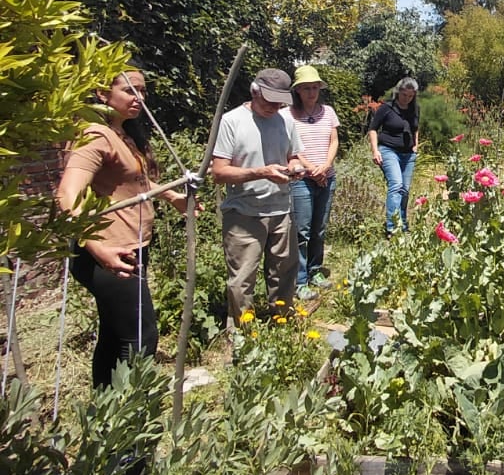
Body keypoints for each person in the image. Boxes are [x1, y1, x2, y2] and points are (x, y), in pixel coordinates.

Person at [57, 69, 188, 388]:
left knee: (115, 334)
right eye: (130, 90)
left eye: (142, 91)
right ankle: (130, 419)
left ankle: (105, 408)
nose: (139, 98)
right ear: (103, 94)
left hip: (130, 247)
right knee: (141, 338)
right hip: (109, 253)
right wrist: (96, 246)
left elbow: (132, 181)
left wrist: (170, 195)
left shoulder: (124, 133)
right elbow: (66, 195)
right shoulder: (94, 135)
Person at [210, 68, 305, 324]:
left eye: (279, 102)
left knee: (285, 271)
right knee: (242, 278)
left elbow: (293, 155)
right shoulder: (232, 121)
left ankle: (282, 321)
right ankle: (242, 333)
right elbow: (218, 172)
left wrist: (295, 167)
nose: (274, 107)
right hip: (244, 213)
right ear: (254, 91)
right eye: (268, 100)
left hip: (281, 210)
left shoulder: (285, 121)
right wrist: (260, 172)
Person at [282, 64, 340, 296]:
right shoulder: (286, 115)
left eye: (315, 87)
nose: (311, 93)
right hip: (301, 179)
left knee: (319, 228)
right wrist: (311, 169)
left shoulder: (328, 112)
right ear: (297, 91)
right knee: (301, 231)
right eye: (306, 88)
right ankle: (300, 280)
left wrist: (324, 167)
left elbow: (334, 141)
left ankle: (316, 270)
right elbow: (289, 148)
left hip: (326, 177)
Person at [368, 77, 420, 236]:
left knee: (404, 190)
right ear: (398, 92)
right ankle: (392, 228)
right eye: (404, 95)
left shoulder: (414, 109)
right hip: (388, 150)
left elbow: (415, 128)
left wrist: (416, 145)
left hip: (408, 154)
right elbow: (373, 129)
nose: (407, 98)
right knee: (396, 185)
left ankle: (403, 226)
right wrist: (375, 150)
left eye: (411, 96)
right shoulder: (386, 108)